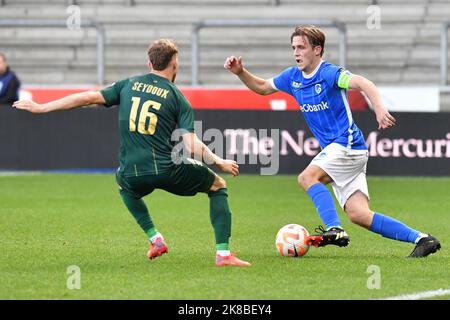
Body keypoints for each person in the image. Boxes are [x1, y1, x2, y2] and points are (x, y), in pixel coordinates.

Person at [13, 39, 250, 267]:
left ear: (149, 64)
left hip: (132, 172)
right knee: (217, 185)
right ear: (174, 65)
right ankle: (223, 254)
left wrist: (42, 107)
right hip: (167, 169)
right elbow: (190, 145)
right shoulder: (178, 98)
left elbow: (86, 97)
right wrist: (219, 161)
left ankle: (155, 239)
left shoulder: (128, 85)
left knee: (122, 183)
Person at [224, 25, 440, 258]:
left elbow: (364, 83)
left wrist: (378, 107)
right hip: (345, 152)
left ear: (317, 50)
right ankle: (423, 239)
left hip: (346, 145)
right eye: (293, 47)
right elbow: (263, 87)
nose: (296, 52)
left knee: (307, 177)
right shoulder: (293, 77)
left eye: (302, 47)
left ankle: (335, 229)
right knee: (359, 215)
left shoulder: (329, 73)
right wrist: (240, 72)